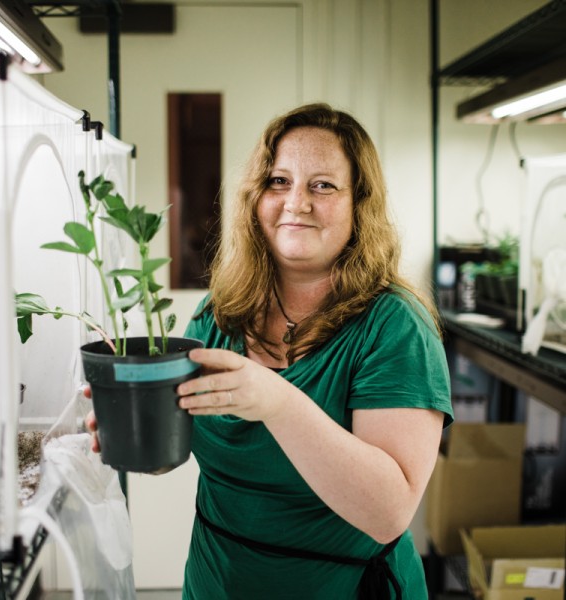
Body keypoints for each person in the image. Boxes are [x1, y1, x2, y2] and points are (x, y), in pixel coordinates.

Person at [87, 103, 453, 599]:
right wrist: (137, 434)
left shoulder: (393, 325)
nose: (296, 202)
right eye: (279, 181)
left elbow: (388, 512)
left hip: (346, 588)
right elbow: (175, 454)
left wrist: (277, 403)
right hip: (216, 584)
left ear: (358, 204)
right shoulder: (223, 311)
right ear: (256, 197)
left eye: (322, 185)